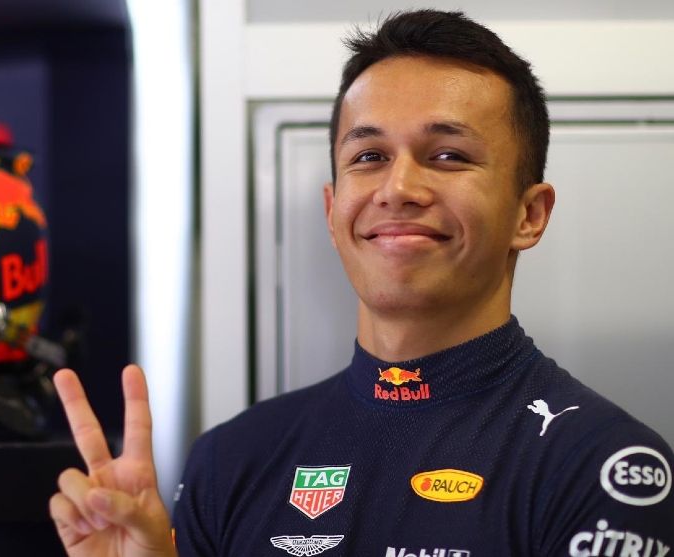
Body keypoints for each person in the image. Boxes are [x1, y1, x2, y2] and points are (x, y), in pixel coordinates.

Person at [49, 9, 674, 556]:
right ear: (332, 211)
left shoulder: (602, 466)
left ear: (528, 215)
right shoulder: (233, 458)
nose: (398, 188)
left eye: (448, 155)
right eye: (369, 157)